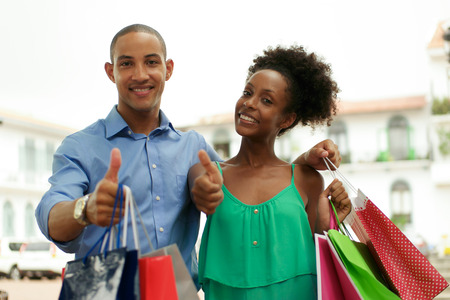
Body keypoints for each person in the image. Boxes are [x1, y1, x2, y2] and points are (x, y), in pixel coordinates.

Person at [35, 24, 342, 287]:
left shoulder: (192, 147)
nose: (140, 74)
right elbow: (51, 215)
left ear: (167, 69)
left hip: (175, 291)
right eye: (126, 63)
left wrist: (301, 163)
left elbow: (247, 175)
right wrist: (85, 209)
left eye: (151, 62)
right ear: (110, 71)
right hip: (105, 289)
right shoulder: (80, 146)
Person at [189, 45, 352, 298]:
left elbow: (318, 259)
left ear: (287, 119)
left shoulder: (307, 179)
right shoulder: (211, 174)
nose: (249, 103)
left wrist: (330, 221)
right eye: (247, 92)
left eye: (266, 100)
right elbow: (198, 191)